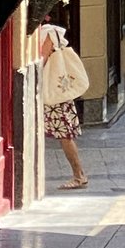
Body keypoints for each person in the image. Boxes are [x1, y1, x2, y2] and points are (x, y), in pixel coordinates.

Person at [39, 21, 88, 190]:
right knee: (65, 136)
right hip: (59, 92)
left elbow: (41, 62)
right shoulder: (51, 32)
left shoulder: (47, 33)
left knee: (65, 136)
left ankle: (79, 175)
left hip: (53, 96)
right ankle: (79, 175)